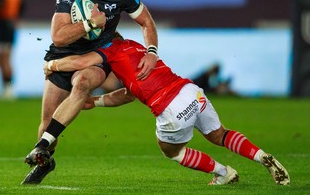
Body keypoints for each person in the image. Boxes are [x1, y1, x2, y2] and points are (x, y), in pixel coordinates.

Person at [26, 33, 290, 186]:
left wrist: (53, 66)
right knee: (220, 134)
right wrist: (96, 102)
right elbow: (129, 95)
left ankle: (223, 173)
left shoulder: (111, 50)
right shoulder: (136, 47)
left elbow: (82, 60)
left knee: (171, 151)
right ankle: (261, 155)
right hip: (190, 92)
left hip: (170, 107)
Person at [21, 0, 158, 184]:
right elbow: (58, 37)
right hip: (64, 54)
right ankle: (46, 160)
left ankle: (41, 146)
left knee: (83, 82)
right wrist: (89, 23)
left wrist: (152, 52)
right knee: (47, 121)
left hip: (99, 55)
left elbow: (146, 22)